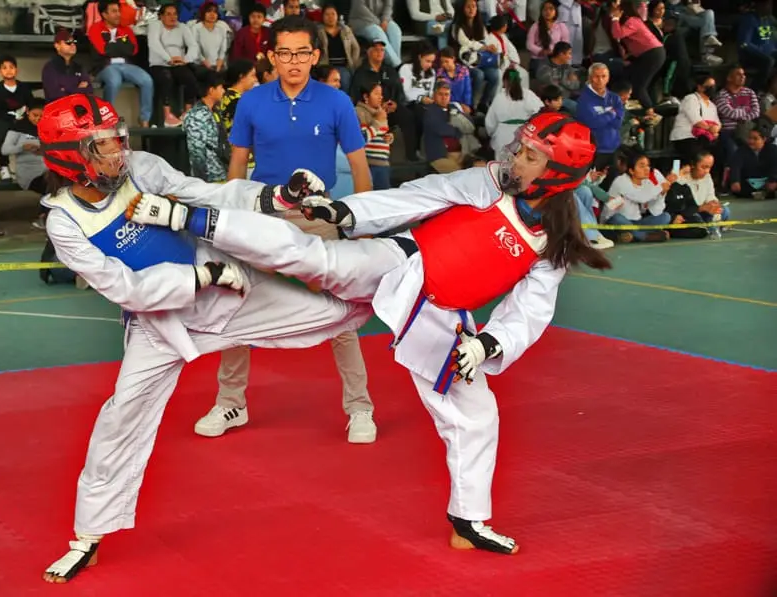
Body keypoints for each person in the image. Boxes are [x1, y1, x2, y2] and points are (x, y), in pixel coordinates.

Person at [127, 111, 613, 556]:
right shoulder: (487, 183)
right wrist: (349, 214)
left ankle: (469, 520)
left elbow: (530, 310)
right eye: (521, 148)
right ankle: (191, 217)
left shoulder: (553, 244)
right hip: (399, 263)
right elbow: (420, 195)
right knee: (312, 257)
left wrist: (489, 343)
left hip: (444, 317)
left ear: (557, 175)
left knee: (477, 415)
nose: (516, 160)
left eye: (531, 157)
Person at [37, 94, 373, 583]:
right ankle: (87, 537)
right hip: (161, 324)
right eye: (102, 147)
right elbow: (123, 288)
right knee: (121, 417)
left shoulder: (142, 169)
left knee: (339, 312)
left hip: (232, 294)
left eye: (117, 141)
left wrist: (276, 197)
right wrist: (199, 277)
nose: (117, 153)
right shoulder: (65, 222)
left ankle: (406, 285)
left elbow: (206, 194)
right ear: (71, 157)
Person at [207, 15, 377, 444]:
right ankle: (231, 402)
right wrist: (232, 211)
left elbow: (359, 166)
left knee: (339, 314)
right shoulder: (251, 102)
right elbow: (237, 164)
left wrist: (364, 226)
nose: (294, 61)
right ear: (271, 57)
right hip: (262, 214)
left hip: (319, 218)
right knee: (236, 305)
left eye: (302, 52)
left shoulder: (336, 101)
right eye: (285, 53)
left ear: (315, 56)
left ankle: (360, 409)